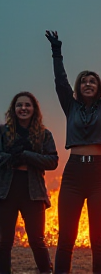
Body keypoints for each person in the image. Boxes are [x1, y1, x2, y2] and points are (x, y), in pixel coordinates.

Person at [45, 29, 101, 274]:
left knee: (99, 240)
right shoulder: (69, 106)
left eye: (92, 81)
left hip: (99, 175)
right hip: (72, 175)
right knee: (66, 239)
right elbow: (60, 82)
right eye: (84, 81)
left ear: (99, 87)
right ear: (78, 87)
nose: (88, 84)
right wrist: (56, 52)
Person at [0, 92, 58, 274]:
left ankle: (46, 271)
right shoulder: (2, 132)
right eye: (19, 105)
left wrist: (27, 155)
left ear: (34, 109)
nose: (23, 108)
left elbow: (52, 161)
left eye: (27, 105)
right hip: (6, 191)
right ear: (13, 109)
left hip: (33, 192)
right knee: (4, 241)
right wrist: (11, 159)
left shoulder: (44, 134)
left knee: (36, 239)